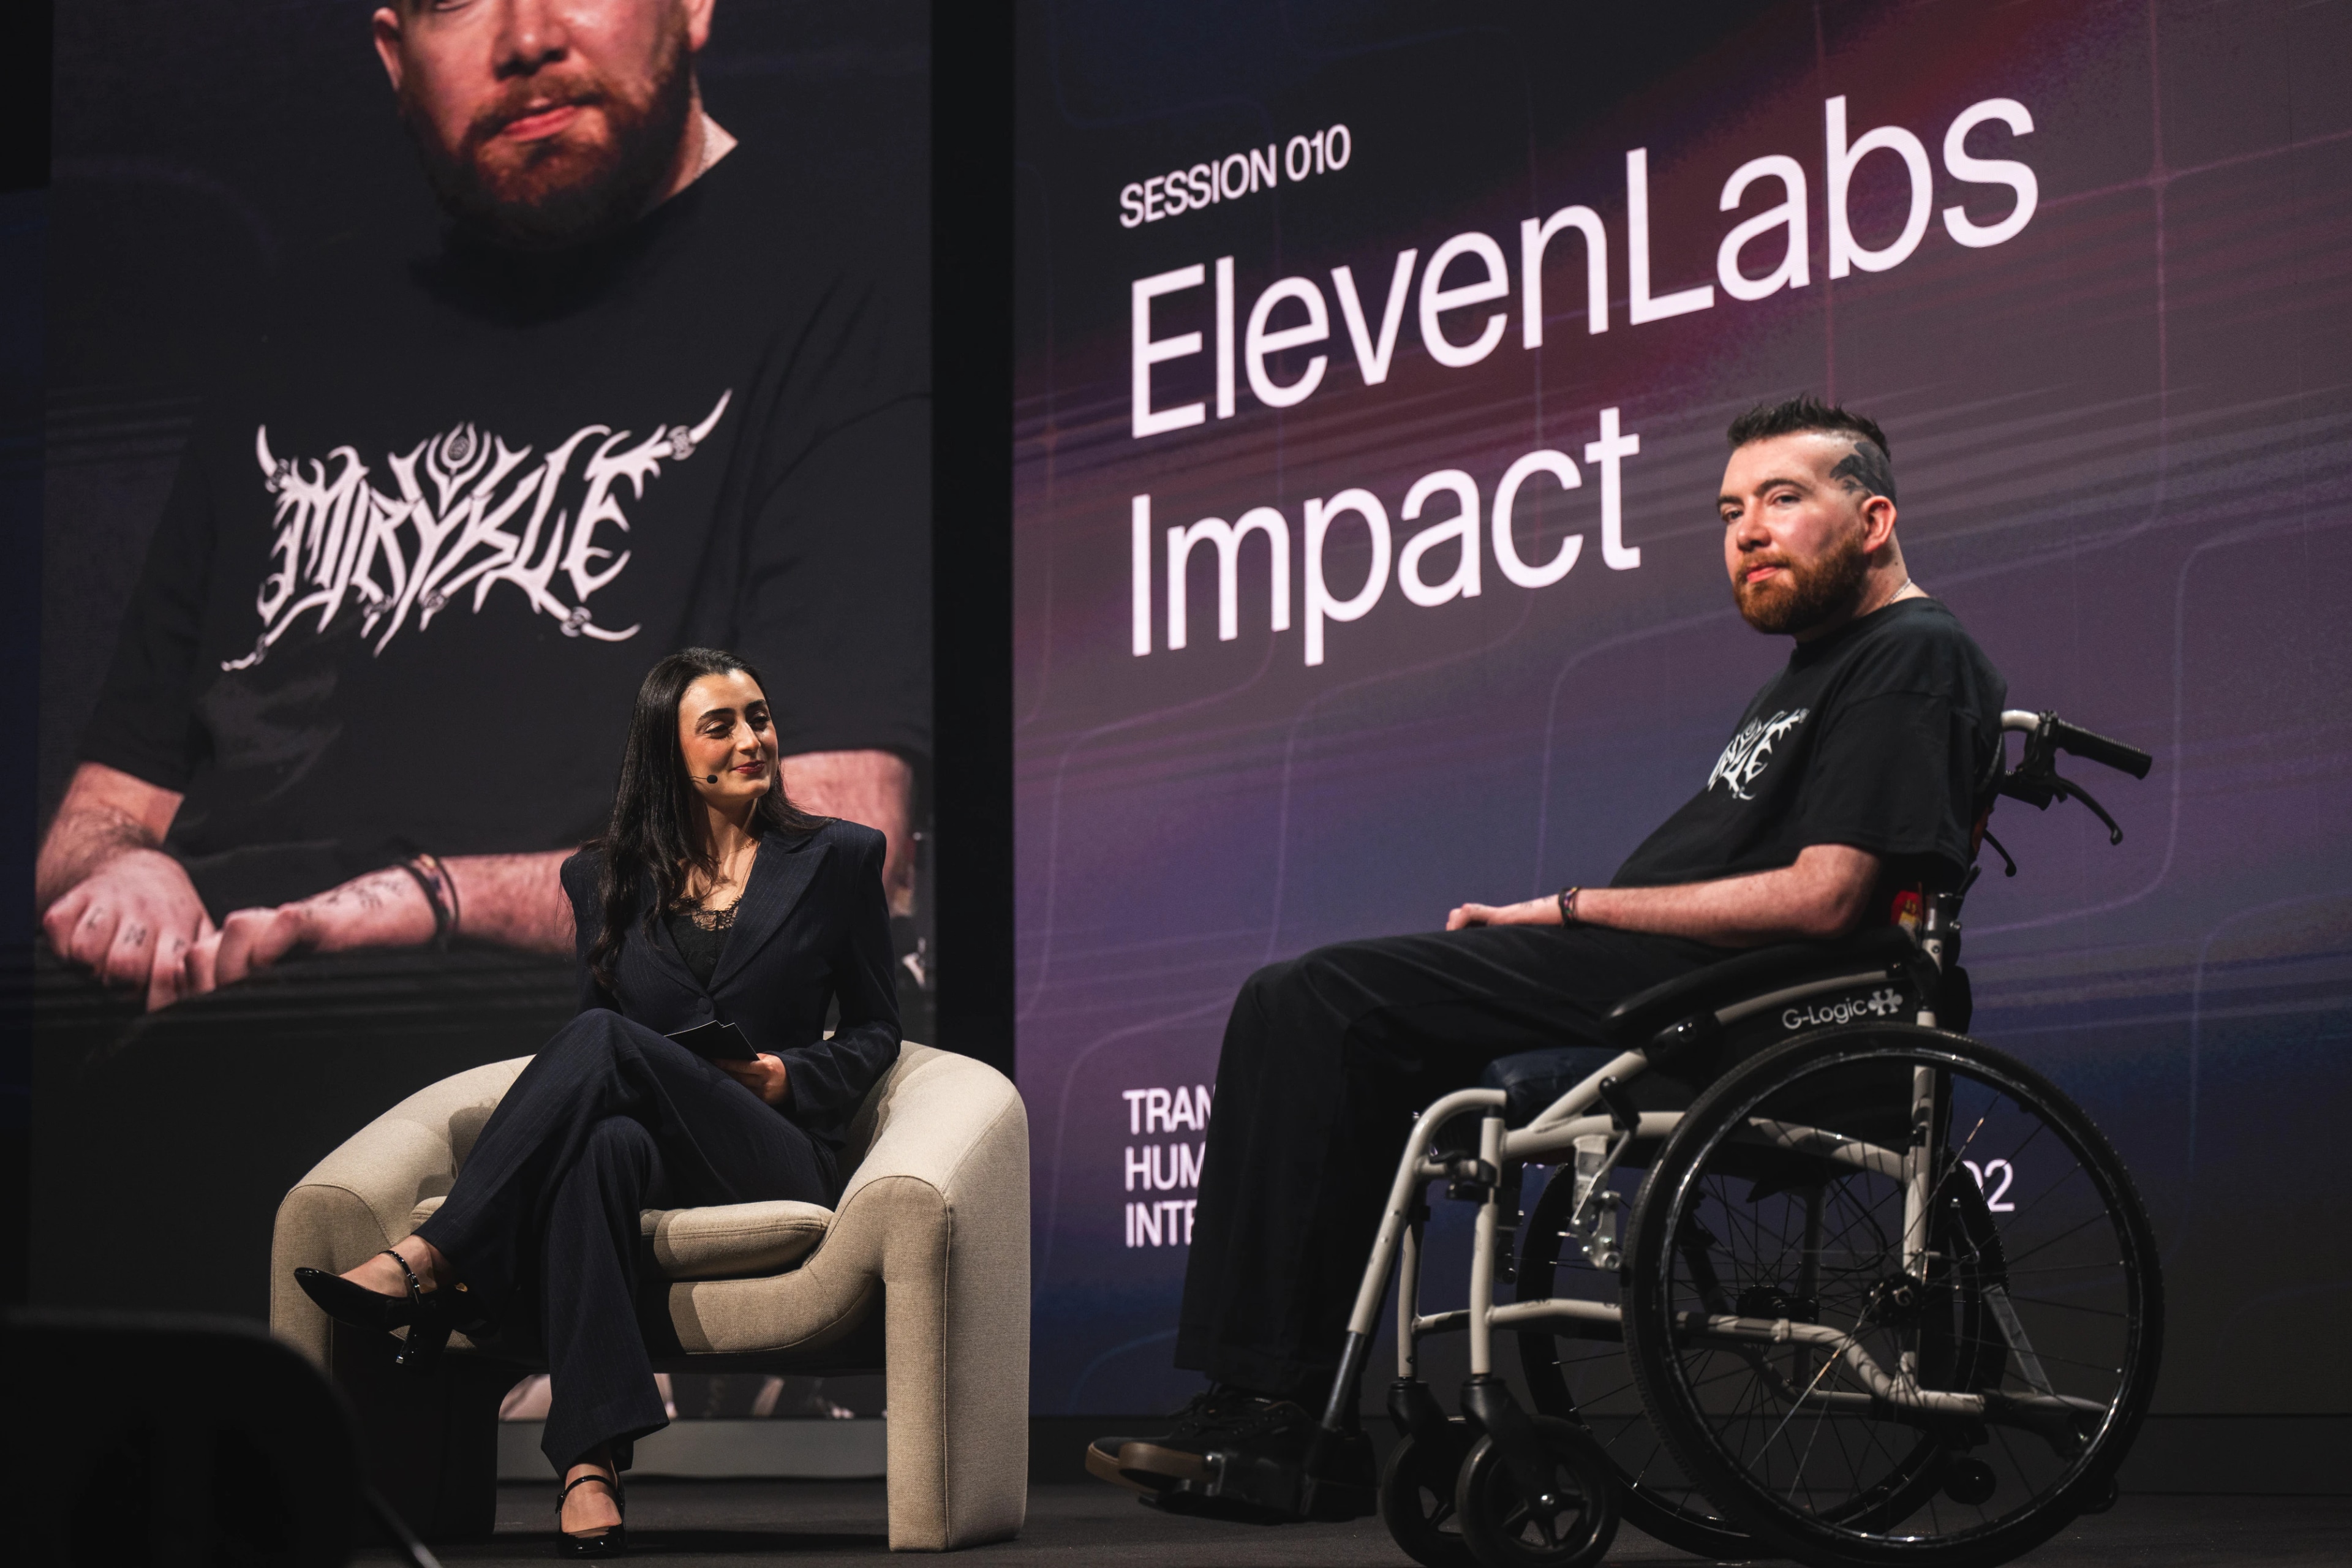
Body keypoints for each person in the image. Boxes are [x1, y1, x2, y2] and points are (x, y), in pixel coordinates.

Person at [1085, 394, 2009, 1512]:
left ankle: (1275, 1418)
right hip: (1663, 979)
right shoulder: (1808, 673)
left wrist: (1574, 911)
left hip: (1743, 1002)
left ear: (1873, 520)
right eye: (1729, 510)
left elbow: (1827, 900)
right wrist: (1561, 917)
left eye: (1782, 499)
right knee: (1346, 1045)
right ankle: (1298, 1424)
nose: (1747, 531)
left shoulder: (1913, 652)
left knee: (1310, 1001)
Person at [37, 0, 927, 1012]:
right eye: (454, 2)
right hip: (199, 1038)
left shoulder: (842, 287)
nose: (526, 40)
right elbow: (97, 817)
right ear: (392, 55)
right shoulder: (301, 330)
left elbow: (824, 867)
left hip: (582, 1068)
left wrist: (426, 903)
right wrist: (122, 874)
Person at [298, 646, 899, 1555]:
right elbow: (597, 1052)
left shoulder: (840, 858)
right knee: (600, 1146)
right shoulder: (603, 877)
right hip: (659, 1153)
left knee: (603, 1044)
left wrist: (784, 1074)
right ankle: (588, 1461)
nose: (753, 740)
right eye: (722, 725)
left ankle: (438, 1260)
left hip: (771, 1149)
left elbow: (876, 1032)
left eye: (761, 718)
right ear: (667, 750)